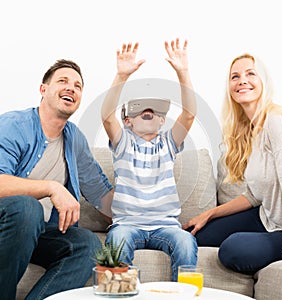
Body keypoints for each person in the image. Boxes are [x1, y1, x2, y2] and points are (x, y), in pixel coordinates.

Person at [0, 59, 114, 300]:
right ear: (43, 89)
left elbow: (102, 196)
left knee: (88, 244)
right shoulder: (13, 125)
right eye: (63, 81)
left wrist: (148, 216)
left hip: (40, 231)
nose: (71, 88)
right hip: (7, 225)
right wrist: (51, 188)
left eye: (78, 86)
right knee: (26, 207)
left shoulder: (74, 140)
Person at [183, 53, 282, 274]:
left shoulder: (278, 121)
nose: (242, 80)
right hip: (267, 218)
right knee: (199, 235)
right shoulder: (251, 130)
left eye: (250, 74)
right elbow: (255, 195)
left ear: (264, 81)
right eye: (235, 76)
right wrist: (209, 214)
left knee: (233, 250)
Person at [101, 38, 198, 281]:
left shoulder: (168, 143)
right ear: (128, 121)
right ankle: (119, 295)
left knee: (186, 242)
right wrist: (121, 76)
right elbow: (106, 115)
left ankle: (183, 297)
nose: (149, 111)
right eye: (141, 109)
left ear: (163, 121)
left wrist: (183, 72)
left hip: (166, 226)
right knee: (118, 241)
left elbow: (189, 115)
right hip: (127, 224)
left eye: (155, 110)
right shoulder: (123, 143)